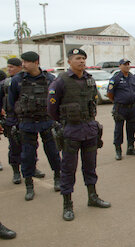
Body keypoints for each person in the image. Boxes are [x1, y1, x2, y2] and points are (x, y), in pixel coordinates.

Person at [47, 48, 110, 221]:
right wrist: (66, 122)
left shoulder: (89, 80)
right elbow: (52, 109)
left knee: (90, 166)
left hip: (89, 129)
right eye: (77, 58)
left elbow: (93, 103)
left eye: (83, 58)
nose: (81, 61)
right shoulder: (60, 81)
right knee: (68, 169)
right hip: (71, 131)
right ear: (69, 61)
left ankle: (93, 197)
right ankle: (67, 205)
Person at [8, 51, 61, 201]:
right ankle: (29, 186)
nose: (23, 65)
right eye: (22, 62)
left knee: (53, 152)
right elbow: (12, 103)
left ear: (36, 62)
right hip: (27, 123)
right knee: (27, 156)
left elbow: (57, 100)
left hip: (46, 121)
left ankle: (58, 177)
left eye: (26, 62)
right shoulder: (17, 81)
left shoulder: (50, 79)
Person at [1, 58, 47, 184]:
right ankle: (16, 171)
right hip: (12, 119)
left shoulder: (27, 80)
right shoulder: (5, 83)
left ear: (19, 67)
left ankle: (33, 168)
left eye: (12, 67)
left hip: (28, 118)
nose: (9, 69)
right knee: (15, 146)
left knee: (31, 147)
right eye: (8, 67)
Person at [107, 58, 135, 160]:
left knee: (131, 129)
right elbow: (109, 94)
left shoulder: (132, 77)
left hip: (132, 108)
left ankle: (131, 148)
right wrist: (118, 101)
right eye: (124, 64)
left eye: (128, 64)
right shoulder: (116, 78)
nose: (127, 66)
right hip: (120, 108)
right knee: (118, 130)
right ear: (120, 66)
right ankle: (118, 150)